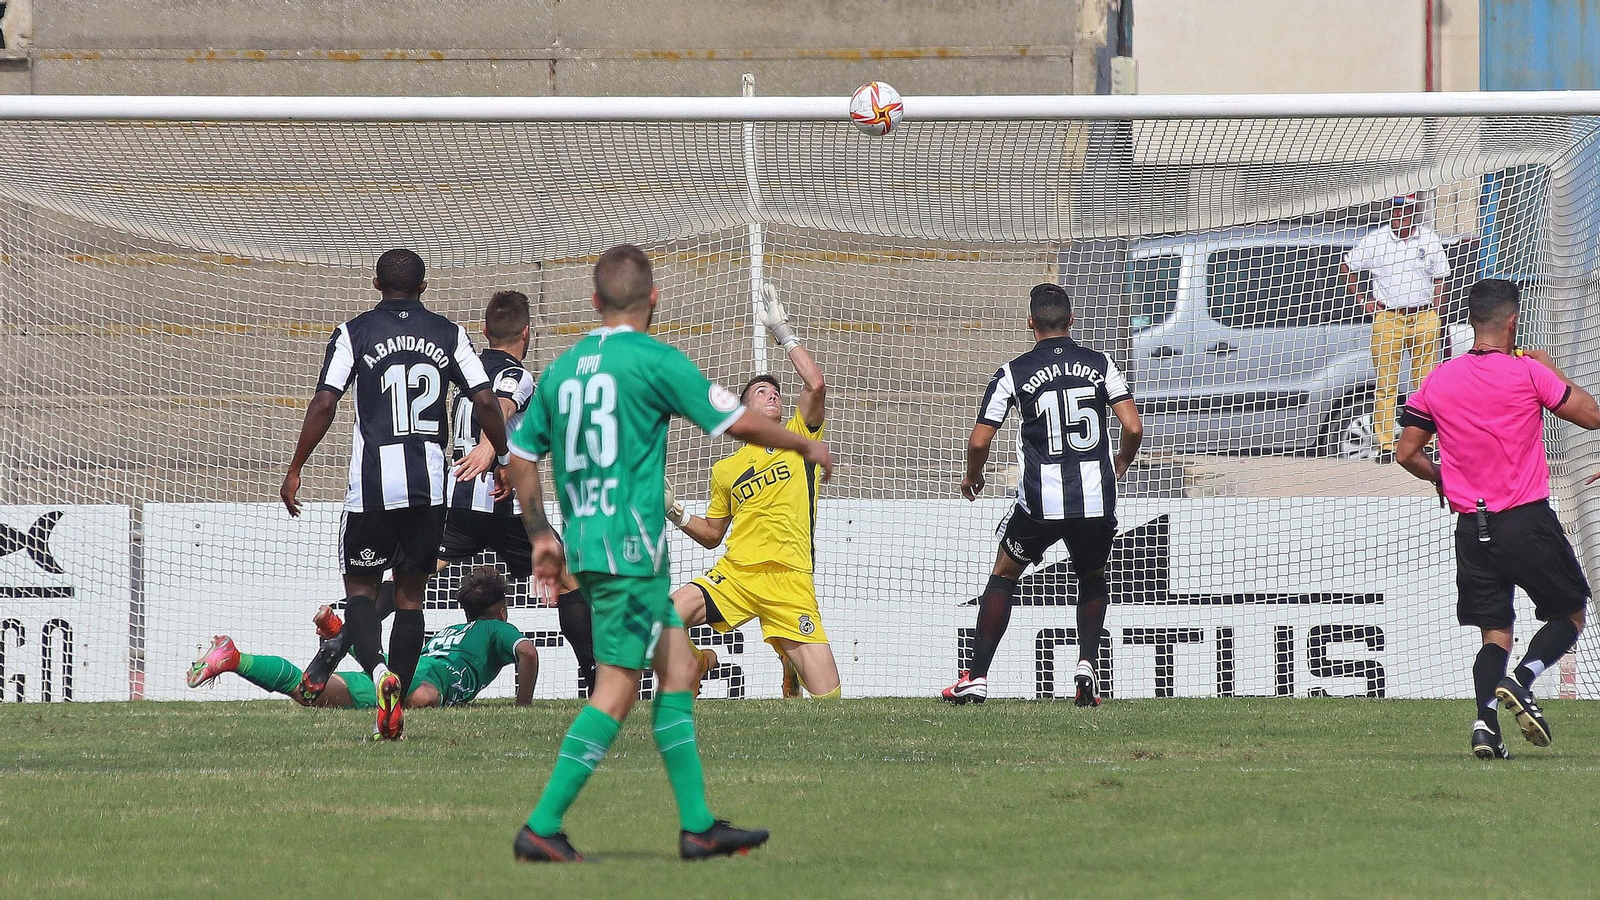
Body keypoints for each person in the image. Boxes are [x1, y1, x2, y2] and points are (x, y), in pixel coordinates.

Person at [503, 244, 833, 863]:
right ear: (653, 298)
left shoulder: (563, 368)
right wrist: (801, 444)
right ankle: (541, 826)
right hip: (627, 549)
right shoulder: (654, 361)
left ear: (595, 302)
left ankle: (698, 827)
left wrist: (541, 532)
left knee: (679, 670)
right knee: (618, 688)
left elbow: (520, 457)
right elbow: (733, 421)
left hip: (592, 542)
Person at [279, 248, 510, 741]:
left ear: (376, 284)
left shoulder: (353, 332)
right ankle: (397, 701)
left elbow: (326, 401)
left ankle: (378, 670)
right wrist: (504, 457)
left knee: (361, 591)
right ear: (423, 286)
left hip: (371, 489)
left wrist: (296, 466)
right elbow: (486, 399)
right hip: (429, 488)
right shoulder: (450, 334)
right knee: (410, 597)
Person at [1395, 278, 1599, 759]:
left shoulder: (1439, 378)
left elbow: (1406, 453)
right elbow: (1592, 416)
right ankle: (1524, 680)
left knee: (1495, 632)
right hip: (1525, 520)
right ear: (1512, 323)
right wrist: (1554, 369)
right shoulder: (1528, 373)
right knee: (1570, 611)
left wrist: (1445, 480)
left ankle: (1485, 724)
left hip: (1472, 528)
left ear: (1470, 322)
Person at [942, 283, 1142, 706]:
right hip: (1095, 499)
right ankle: (1087, 665)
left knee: (1003, 575)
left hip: (1041, 503)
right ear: (1071, 321)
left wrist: (972, 477)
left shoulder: (1014, 372)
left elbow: (979, 441)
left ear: (1030, 323)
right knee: (1090, 577)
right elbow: (1134, 426)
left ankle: (976, 677)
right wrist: (1120, 463)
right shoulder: (1100, 363)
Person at [664, 284, 838, 699]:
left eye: (775, 391)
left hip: (790, 578)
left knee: (829, 698)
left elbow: (815, 385)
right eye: (761, 391)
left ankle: (790, 668)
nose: (772, 393)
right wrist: (673, 510)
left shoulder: (799, 436)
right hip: (738, 573)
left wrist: (783, 332)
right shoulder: (726, 469)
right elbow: (711, 535)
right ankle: (700, 663)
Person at [437, 289, 595, 693]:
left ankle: (351, 644)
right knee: (567, 578)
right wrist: (491, 450)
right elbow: (503, 407)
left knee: (412, 574)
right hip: (506, 505)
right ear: (527, 332)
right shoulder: (517, 374)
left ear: (485, 330)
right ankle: (593, 677)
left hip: (459, 501)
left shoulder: (465, 376)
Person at [186, 568, 541, 708]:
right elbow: (528, 653)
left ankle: (234, 658)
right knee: (421, 697)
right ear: (501, 609)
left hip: (417, 666)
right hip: (427, 677)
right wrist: (523, 704)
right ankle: (345, 636)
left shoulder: (450, 631)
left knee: (311, 693)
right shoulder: (496, 627)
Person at [1343, 194, 1451, 463]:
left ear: (1415, 212)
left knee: (1427, 385)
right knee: (1386, 385)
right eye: (1396, 210)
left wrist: (1437, 312)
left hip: (1424, 315)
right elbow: (1348, 266)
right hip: (1388, 317)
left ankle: (1430, 441)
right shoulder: (1376, 240)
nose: (1400, 216)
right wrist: (1362, 299)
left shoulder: (1428, 238)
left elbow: (1441, 277)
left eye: (1407, 210)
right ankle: (1386, 444)